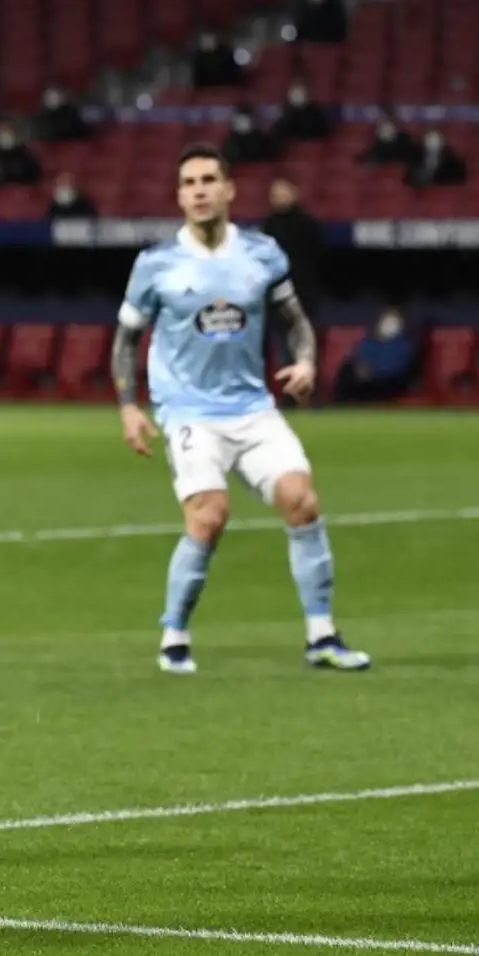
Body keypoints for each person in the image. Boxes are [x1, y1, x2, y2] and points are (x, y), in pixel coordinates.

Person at [112, 144, 368, 676]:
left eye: (209, 180)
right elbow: (126, 340)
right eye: (189, 183)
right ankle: (174, 636)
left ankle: (322, 635)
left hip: (252, 408)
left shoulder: (263, 254)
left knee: (302, 501)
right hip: (188, 411)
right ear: (179, 197)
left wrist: (306, 361)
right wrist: (129, 406)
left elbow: (295, 319)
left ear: (229, 189)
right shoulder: (155, 265)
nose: (199, 191)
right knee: (209, 517)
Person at [259, 180, 325, 320]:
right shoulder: (268, 225)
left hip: (303, 289)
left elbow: (319, 255)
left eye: (282, 193)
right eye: (274, 195)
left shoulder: (308, 224)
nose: (278, 198)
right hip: (275, 289)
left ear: (294, 194)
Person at [333, 307, 417, 403]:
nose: (389, 324)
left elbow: (399, 367)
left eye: (393, 321)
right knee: (347, 369)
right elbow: (361, 359)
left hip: (390, 380)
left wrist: (374, 371)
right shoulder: (370, 342)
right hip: (367, 379)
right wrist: (361, 369)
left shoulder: (404, 345)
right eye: (386, 321)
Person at [0, 120, 42, 187]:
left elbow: (34, 179)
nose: (5, 136)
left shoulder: (27, 158)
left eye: (8, 132)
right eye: (2, 132)